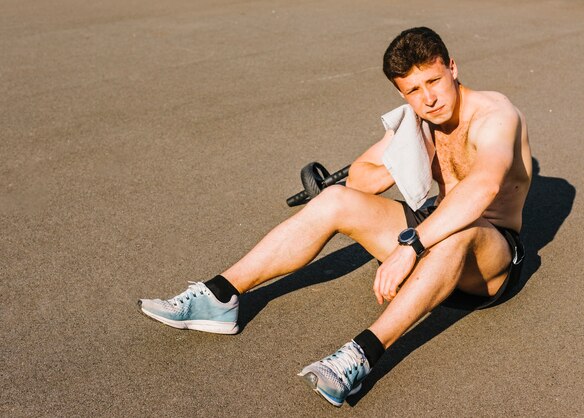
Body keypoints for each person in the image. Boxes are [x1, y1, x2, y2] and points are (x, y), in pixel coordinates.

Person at [139, 27, 532, 407]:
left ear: (453, 68)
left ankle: (358, 357)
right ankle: (221, 296)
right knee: (334, 199)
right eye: (413, 90)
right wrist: (407, 160)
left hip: (486, 258)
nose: (428, 99)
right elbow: (359, 178)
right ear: (401, 91)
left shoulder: (495, 115)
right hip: (430, 238)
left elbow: (483, 189)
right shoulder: (419, 121)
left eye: (433, 81)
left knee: (460, 232)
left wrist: (411, 245)